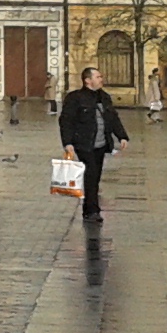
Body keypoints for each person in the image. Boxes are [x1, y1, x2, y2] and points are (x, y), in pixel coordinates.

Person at [59, 65, 129, 223]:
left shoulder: (104, 97)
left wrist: (122, 136)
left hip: (101, 144)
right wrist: (68, 142)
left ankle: (89, 208)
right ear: (87, 80)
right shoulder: (75, 98)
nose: (101, 79)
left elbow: (113, 118)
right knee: (90, 174)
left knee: (95, 176)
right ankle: (92, 211)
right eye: (98, 77)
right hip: (84, 143)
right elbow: (66, 121)